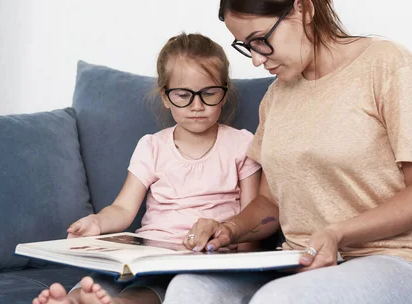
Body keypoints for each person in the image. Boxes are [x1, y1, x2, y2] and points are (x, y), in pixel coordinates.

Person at [163, 0, 412, 304]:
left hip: (394, 261)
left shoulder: (388, 66)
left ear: (303, 7)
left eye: (260, 39)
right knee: (188, 289)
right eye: (245, 46)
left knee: (281, 300)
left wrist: (337, 233)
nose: (255, 58)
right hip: (298, 265)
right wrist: (230, 229)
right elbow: (270, 203)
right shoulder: (276, 97)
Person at [32, 33, 262, 304]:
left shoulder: (242, 144)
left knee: (166, 288)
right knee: (102, 279)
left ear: (224, 94)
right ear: (165, 97)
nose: (197, 106)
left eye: (209, 93)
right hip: (150, 254)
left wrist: (242, 264)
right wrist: (96, 222)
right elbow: (122, 209)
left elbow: (252, 221)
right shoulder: (152, 147)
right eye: (183, 95)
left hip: (205, 257)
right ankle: (73, 300)